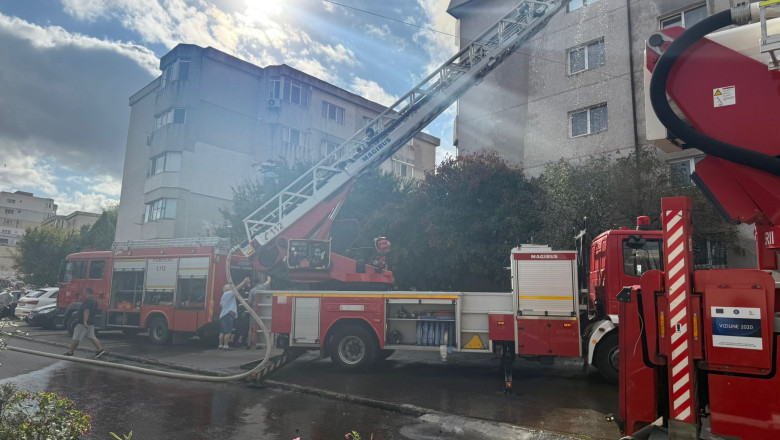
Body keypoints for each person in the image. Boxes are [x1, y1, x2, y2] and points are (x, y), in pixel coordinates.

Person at [65, 288, 105, 358]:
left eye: (84, 292)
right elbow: (85, 309)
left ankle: (70, 352)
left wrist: (84, 321)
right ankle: (100, 349)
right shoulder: (94, 301)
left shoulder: (87, 300)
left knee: (76, 337)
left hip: (82, 322)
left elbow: (86, 310)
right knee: (92, 336)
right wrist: (77, 312)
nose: (83, 293)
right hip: (91, 321)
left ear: (87, 292)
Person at [218, 277, 250, 350]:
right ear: (226, 289)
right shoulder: (228, 294)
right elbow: (236, 289)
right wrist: (244, 282)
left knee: (222, 331)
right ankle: (226, 346)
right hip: (227, 316)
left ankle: (220, 345)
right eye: (230, 287)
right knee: (228, 331)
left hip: (223, 316)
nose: (231, 288)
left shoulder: (224, 296)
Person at [247, 274, 271, 348]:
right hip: (264, 311)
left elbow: (249, 302)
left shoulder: (252, 290)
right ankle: (259, 343)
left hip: (254, 311)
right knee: (261, 327)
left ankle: (249, 344)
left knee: (252, 327)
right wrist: (268, 276)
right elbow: (268, 281)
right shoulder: (264, 287)